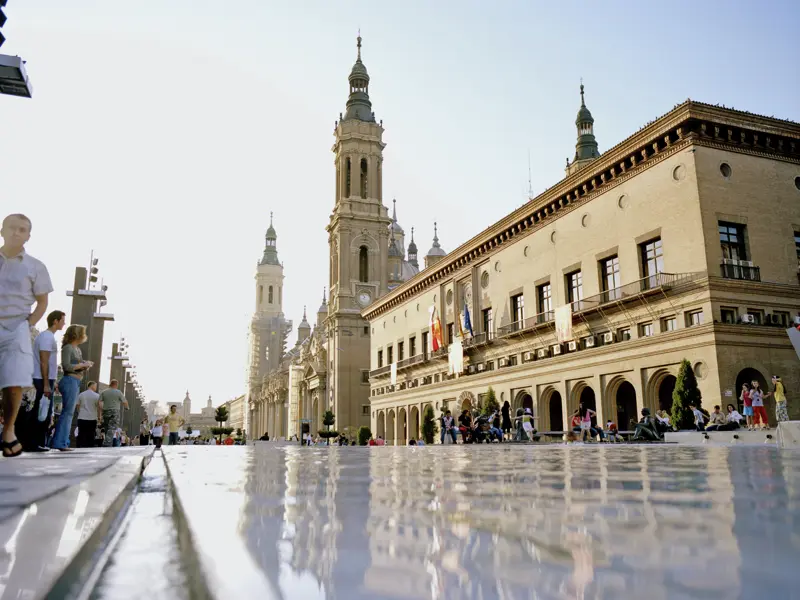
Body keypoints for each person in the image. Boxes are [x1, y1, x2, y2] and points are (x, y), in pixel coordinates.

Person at [0, 214, 54, 457]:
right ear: (3, 231)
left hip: (16, 327)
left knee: (13, 381)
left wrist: (28, 324)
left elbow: (43, 302)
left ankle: (9, 431)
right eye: (12, 228)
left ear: (28, 236)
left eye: (22, 230)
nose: (16, 233)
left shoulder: (35, 266)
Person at [21, 310, 66, 452]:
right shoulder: (47, 337)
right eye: (62, 320)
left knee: (42, 411)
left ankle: (34, 442)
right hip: (42, 379)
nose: (64, 323)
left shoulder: (47, 337)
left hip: (45, 378)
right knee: (41, 411)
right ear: (55, 321)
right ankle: (33, 443)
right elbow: (44, 362)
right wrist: (47, 384)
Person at [53, 325, 93, 451]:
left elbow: (77, 365)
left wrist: (85, 365)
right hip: (69, 380)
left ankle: (64, 441)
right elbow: (66, 366)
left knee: (69, 413)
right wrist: (81, 365)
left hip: (76, 381)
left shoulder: (77, 350)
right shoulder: (68, 348)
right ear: (77, 334)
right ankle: (60, 442)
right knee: (67, 413)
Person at [100, 379, 128, 447]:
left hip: (106, 411)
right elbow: (125, 402)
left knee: (107, 427)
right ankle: (107, 443)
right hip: (115, 411)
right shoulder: (118, 392)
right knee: (112, 427)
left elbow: (100, 402)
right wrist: (127, 407)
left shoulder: (104, 392)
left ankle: (108, 442)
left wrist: (102, 410)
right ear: (116, 384)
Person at [75, 381, 101, 448]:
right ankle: (89, 448)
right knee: (91, 434)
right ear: (92, 386)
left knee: (81, 433)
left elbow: (77, 405)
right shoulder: (97, 396)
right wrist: (99, 416)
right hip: (92, 418)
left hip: (82, 417)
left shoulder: (81, 394)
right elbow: (99, 407)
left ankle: (80, 447)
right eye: (95, 386)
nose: (96, 388)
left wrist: (79, 412)